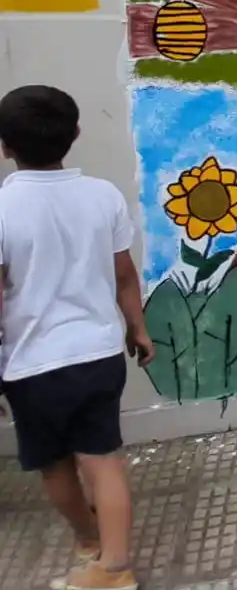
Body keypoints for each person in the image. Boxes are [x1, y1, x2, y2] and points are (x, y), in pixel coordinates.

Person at [0, 85, 154, 590]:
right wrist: (138, 327)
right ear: (76, 135)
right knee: (103, 459)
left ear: (5, 146)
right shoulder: (103, 195)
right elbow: (125, 276)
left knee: (54, 466)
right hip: (100, 353)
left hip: (33, 364)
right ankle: (116, 566)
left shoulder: (3, 209)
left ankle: (91, 543)